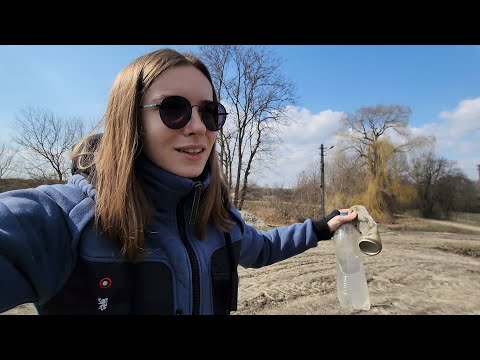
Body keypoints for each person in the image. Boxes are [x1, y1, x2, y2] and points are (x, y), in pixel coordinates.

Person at [0, 48, 358, 315]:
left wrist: (321, 227)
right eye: (174, 109)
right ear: (131, 121)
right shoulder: (65, 220)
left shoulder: (216, 215)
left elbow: (261, 248)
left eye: (210, 111)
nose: (198, 126)